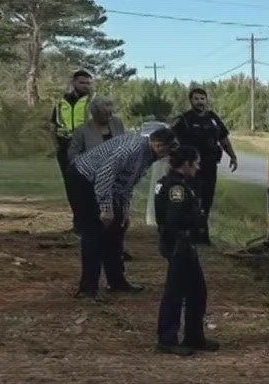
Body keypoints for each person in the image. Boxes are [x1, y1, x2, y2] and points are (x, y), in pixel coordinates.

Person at [70, 127, 174, 298]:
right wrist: (105, 208)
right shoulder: (130, 150)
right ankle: (87, 289)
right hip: (84, 179)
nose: (166, 156)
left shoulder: (147, 155)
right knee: (93, 232)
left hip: (107, 185)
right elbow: (104, 176)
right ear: (158, 144)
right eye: (167, 150)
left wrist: (123, 211)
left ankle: (117, 281)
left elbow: (126, 184)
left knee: (117, 228)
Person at [153, 147, 218, 356]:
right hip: (179, 244)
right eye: (196, 163)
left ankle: (194, 335)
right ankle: (167, 338)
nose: (198, 167)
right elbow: (173, 219)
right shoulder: (176, 188)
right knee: (175, 293)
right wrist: (196, 221)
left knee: (197, 292)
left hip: (183, 245)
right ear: (186, 163)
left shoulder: (174, 183)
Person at [169, 87, 238, 244]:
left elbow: (223, 138)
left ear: (206, 100)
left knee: (207, 200)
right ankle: (188, 234)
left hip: (210, 166)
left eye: (202, 99)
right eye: (196, 99)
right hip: (191, 168)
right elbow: (173, 142)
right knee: (193, 199)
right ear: (191, 101)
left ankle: (202, 233)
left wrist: (232, 156)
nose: (200, 102)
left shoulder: (212, 118)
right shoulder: (184, 120)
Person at [67, 94, 131, 263]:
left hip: (116, 177)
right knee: (97, 219)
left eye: (111, 112)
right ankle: (98, 250)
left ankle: (119, 250)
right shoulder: (82, 131)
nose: (109, 116)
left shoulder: (117, 124)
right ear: (94, 113)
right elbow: (73, 155)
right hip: (91, 179)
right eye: (105, 113)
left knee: (120, 217)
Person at [49, 70, 94, 214]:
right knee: (71, 185)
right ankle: (78, 221)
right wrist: (55, 145)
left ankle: (92, 220)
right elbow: (53, 125)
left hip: (87, 148)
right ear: (74, 82)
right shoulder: (61, 103)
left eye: (88, 83)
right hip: (65, 147)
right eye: (82, 82)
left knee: (88, 184)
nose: (85, 86)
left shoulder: (93, 102)